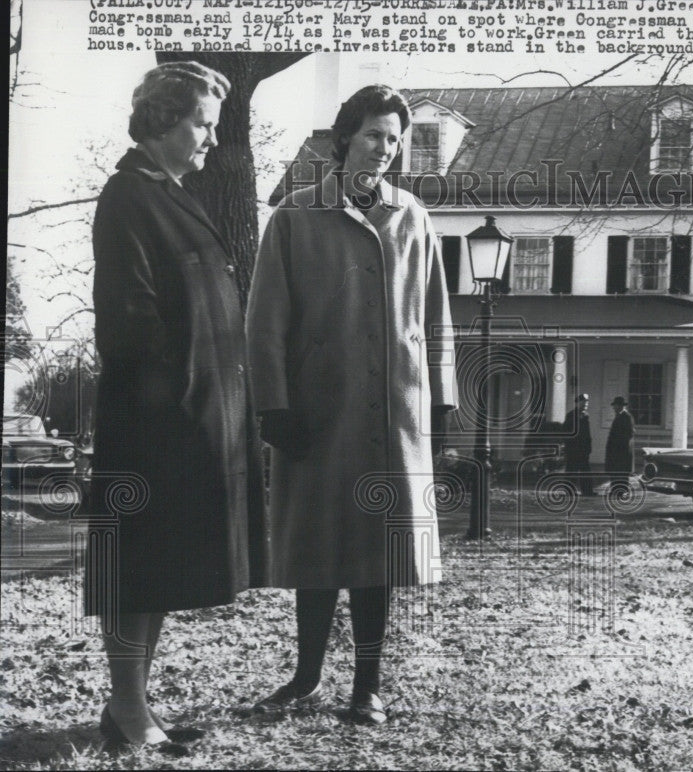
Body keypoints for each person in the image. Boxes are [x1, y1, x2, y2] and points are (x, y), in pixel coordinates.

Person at [245, 84, 456, 724]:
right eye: (373, 135)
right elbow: (264, 323)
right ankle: (307, 677)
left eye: (395, 139)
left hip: (396, 414)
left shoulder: (414, 217)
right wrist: (273, 405)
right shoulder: (293, 217)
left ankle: (367, 687)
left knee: (378, 552)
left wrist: (440, 402)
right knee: (317, 545)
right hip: (317, 412)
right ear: (343, 138)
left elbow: (437, 316)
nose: (384, 150)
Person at [86, 61, 267, 755]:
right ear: (162, 120)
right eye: (200, 123)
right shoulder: (127, 196)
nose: (209, 140)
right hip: (153, 422)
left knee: (157, 568)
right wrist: (179, 402)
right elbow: (129, 323)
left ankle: (131, 704)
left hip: (195, 416)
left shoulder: (176, 195)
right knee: (137, 565)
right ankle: (128, 711)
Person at [563, 393, 593, 495]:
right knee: (571, 470)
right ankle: (569, 491)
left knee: (585, 470)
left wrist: (589, 447)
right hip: (573, 449)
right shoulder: (570, 415)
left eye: (587, 402)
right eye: (583, 402)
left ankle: (587, 491)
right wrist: (568, 447)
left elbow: (587, 433)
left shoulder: (586, 416)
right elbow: (566, 433)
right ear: (577, 403)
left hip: (584, 449)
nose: (586, 404)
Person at [605, 396, 635, 491]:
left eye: (616, 405)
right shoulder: (619, 416)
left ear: (620, 406)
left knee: (620, 473)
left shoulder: (626, 417)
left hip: (621, 451)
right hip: (616, 451)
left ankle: (620, 491)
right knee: (615, 472)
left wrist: (617, 447)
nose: (614, 408)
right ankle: (615, 490)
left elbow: (628, 434)